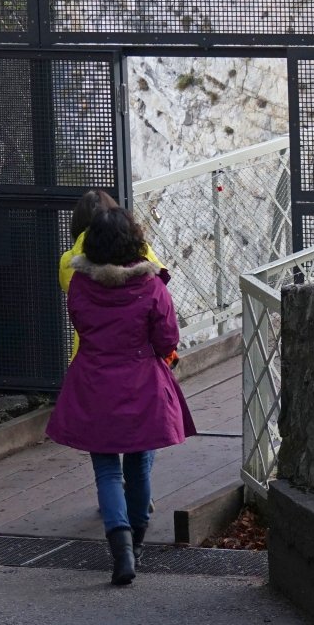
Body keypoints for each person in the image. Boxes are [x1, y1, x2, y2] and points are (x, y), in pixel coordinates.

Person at [47, 204, 195, 586]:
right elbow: (167, 339)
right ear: (135, 243)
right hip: (142, 383)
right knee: (139, 461)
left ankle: (121, 549)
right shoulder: (152, 288)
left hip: (94, 382)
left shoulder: (80, 284)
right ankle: (138, 536)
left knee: (106, 469)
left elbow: (79, 322)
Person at [60, 190, 166, 357]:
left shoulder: (68, 261)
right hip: (138, 356)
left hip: (90, 356)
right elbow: (159, 277)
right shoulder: (139, 248)